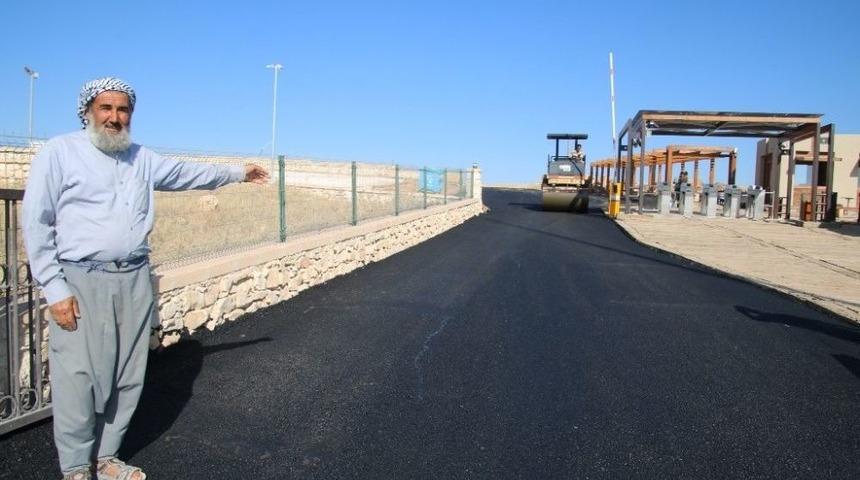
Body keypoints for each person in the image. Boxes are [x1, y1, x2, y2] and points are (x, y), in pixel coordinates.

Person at [22, 77, 269, 480]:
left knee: (128, 372)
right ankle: (74, 468)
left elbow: (187, 173)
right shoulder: (60, 153)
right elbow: (36, 223)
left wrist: (239, 172)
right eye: (106, 108)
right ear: (88, 111)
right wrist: (54, 287)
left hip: (134, 277)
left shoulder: (141, 158)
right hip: (81, 279)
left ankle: (105, 459)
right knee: (79, 376)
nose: (115, 118)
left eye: (123, 110)